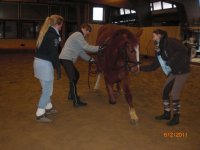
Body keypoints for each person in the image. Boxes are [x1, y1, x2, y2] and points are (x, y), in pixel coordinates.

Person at [140, 29, 190, 126]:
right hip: (174, 72)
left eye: (154, 36)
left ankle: (176, 117)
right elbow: (154, 66)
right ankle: (167, 113)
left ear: (159, 35)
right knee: (164, 91)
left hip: (182, 70)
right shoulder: (158, 48)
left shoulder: (171, 41)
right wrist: (139, 68)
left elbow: (183, 50)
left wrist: (171, 61)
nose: (152, 38)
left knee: (174, 93)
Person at [59, 23, 104, 107]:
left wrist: (91, 59)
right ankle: (76, 101)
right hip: (66, 59)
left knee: (76, 75)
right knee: (73, 78)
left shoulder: (78, 37)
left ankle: (71, 95)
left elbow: (81, 52)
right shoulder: (78, 34)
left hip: (66, 59)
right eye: (88, 31)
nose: (88, 33)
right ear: (84, 28)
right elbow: (86, 47)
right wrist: (99, 48)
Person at [33, 15, 64, 122]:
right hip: (45, 65)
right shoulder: (53, 36)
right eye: (61, 25)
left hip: (37, 63)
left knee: (45, 88)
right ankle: (40, 113)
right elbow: (54, 55)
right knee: (47, 90)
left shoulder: (45, 32)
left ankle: (48, 107)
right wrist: (58, 68)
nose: (61, 27)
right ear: (57, 24)